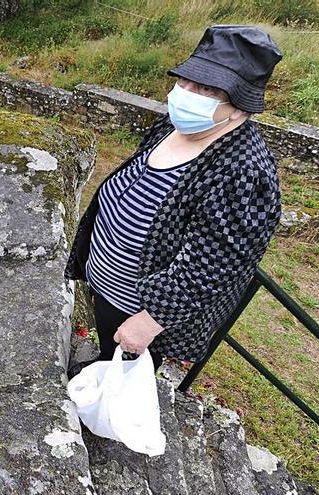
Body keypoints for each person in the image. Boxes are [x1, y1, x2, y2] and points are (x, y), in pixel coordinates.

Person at [65, 25, 283, 377]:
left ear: (240, 108)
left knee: (130, 364)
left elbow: (213, 267)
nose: (187, 93)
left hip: (141, 308)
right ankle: (106, 364)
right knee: (109, 344)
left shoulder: (245, 173)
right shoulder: (174, 124)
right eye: (186, 80)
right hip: (109, 285)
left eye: (208, 89)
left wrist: (149, 322)